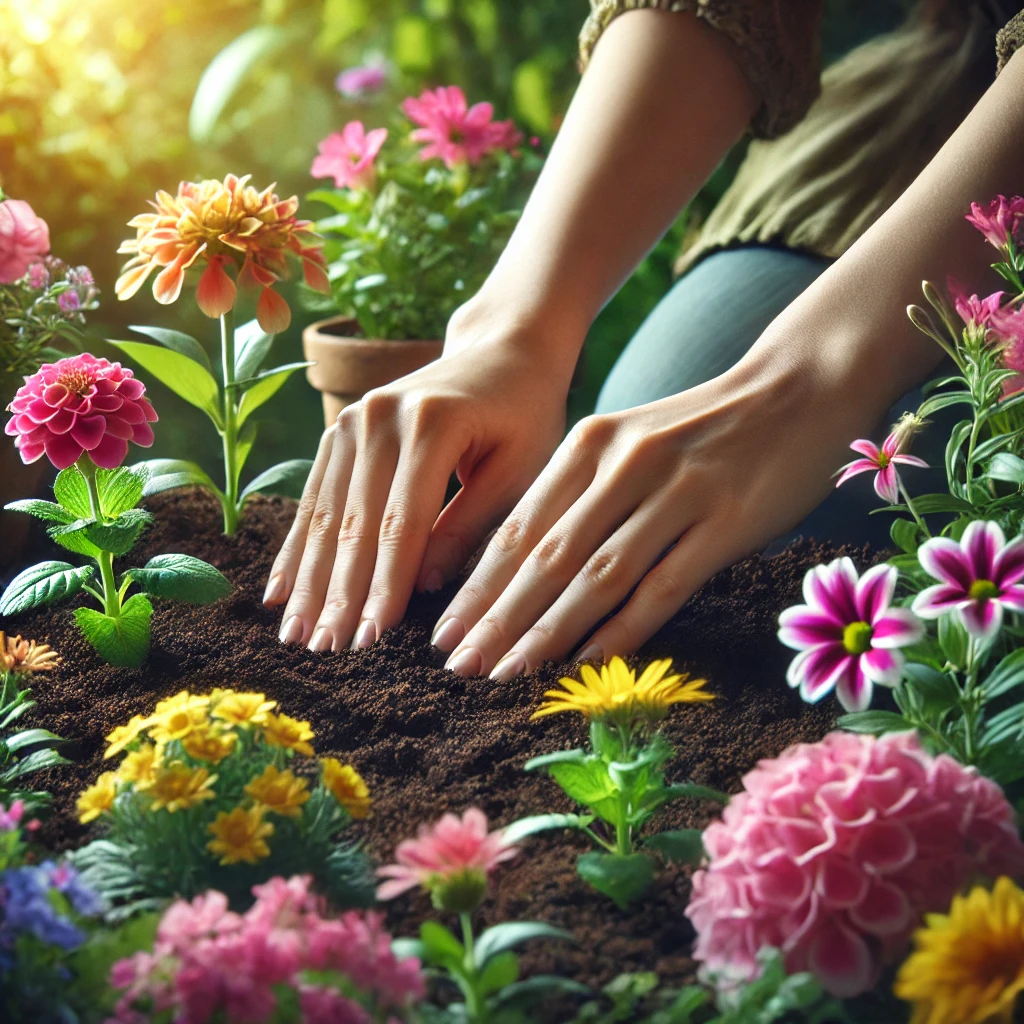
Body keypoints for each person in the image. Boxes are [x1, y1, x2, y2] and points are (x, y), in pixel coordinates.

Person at [264, 0, 1024, 683]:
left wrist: (808, 380)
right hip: (941, 81)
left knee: (845, 564)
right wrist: (516, 327)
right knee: (639, 516)